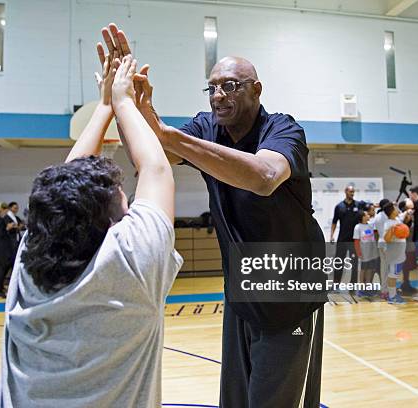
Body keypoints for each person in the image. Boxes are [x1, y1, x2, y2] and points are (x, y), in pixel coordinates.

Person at [103, 23, 324, 407]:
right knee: (235, 401)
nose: (218, 96)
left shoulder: (284, 129)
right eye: (213, 88)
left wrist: (167, 134)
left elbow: (264, 176)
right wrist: (130, 106)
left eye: (230, 86)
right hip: (243, 284)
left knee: (270, 401)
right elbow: (154, 154)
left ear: (256, 89)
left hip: (289, 289)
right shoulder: (207, 127)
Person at [0, 49, 182, 408]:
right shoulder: (132, 265)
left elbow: (64, 190)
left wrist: (105, 105)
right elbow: (156, 168)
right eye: (124, 199)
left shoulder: (28, 265)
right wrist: (123, 101)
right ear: (112, 220)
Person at [330, 185, 362, 286]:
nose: (352, 193)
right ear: (345, 192)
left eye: (353, 192)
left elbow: (370, 209)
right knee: (339, 263)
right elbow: (334, 222)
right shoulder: (339, 207)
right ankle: (336, 284)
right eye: (350, 191)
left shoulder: (358, 205)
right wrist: (331, 235)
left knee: (354, 263)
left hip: (354, 240)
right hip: (342, 240)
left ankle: (353, 286)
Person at [383, 203, 407, 305]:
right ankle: (392, 297)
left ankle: (393, 294)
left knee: (395, 274)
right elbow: (386, 239)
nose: (398, 210)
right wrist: (392, 230)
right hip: (394, 255)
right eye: (396, 209)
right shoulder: (388, 223)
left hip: (400, 254)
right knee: (392, 275)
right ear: (392, 212)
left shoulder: (397, 220)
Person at [353, 210, 379, 297]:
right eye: (366, 214)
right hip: (363, 253)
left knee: (370, 269)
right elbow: (356, 241)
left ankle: (368, 288)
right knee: (363, 270)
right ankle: (361, 289)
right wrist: (359, 253)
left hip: (371, 253)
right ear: (362, 217)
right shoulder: (358, 227)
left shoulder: (370, 225)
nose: (368, 215)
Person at [373, 198, 392, 299]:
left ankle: (383, 290)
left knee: (383, 268)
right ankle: (389, 290)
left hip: (380, 243)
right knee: (390, 269)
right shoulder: (388, 217)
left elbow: (375, 232)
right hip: (388, 244)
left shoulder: (377, 216)